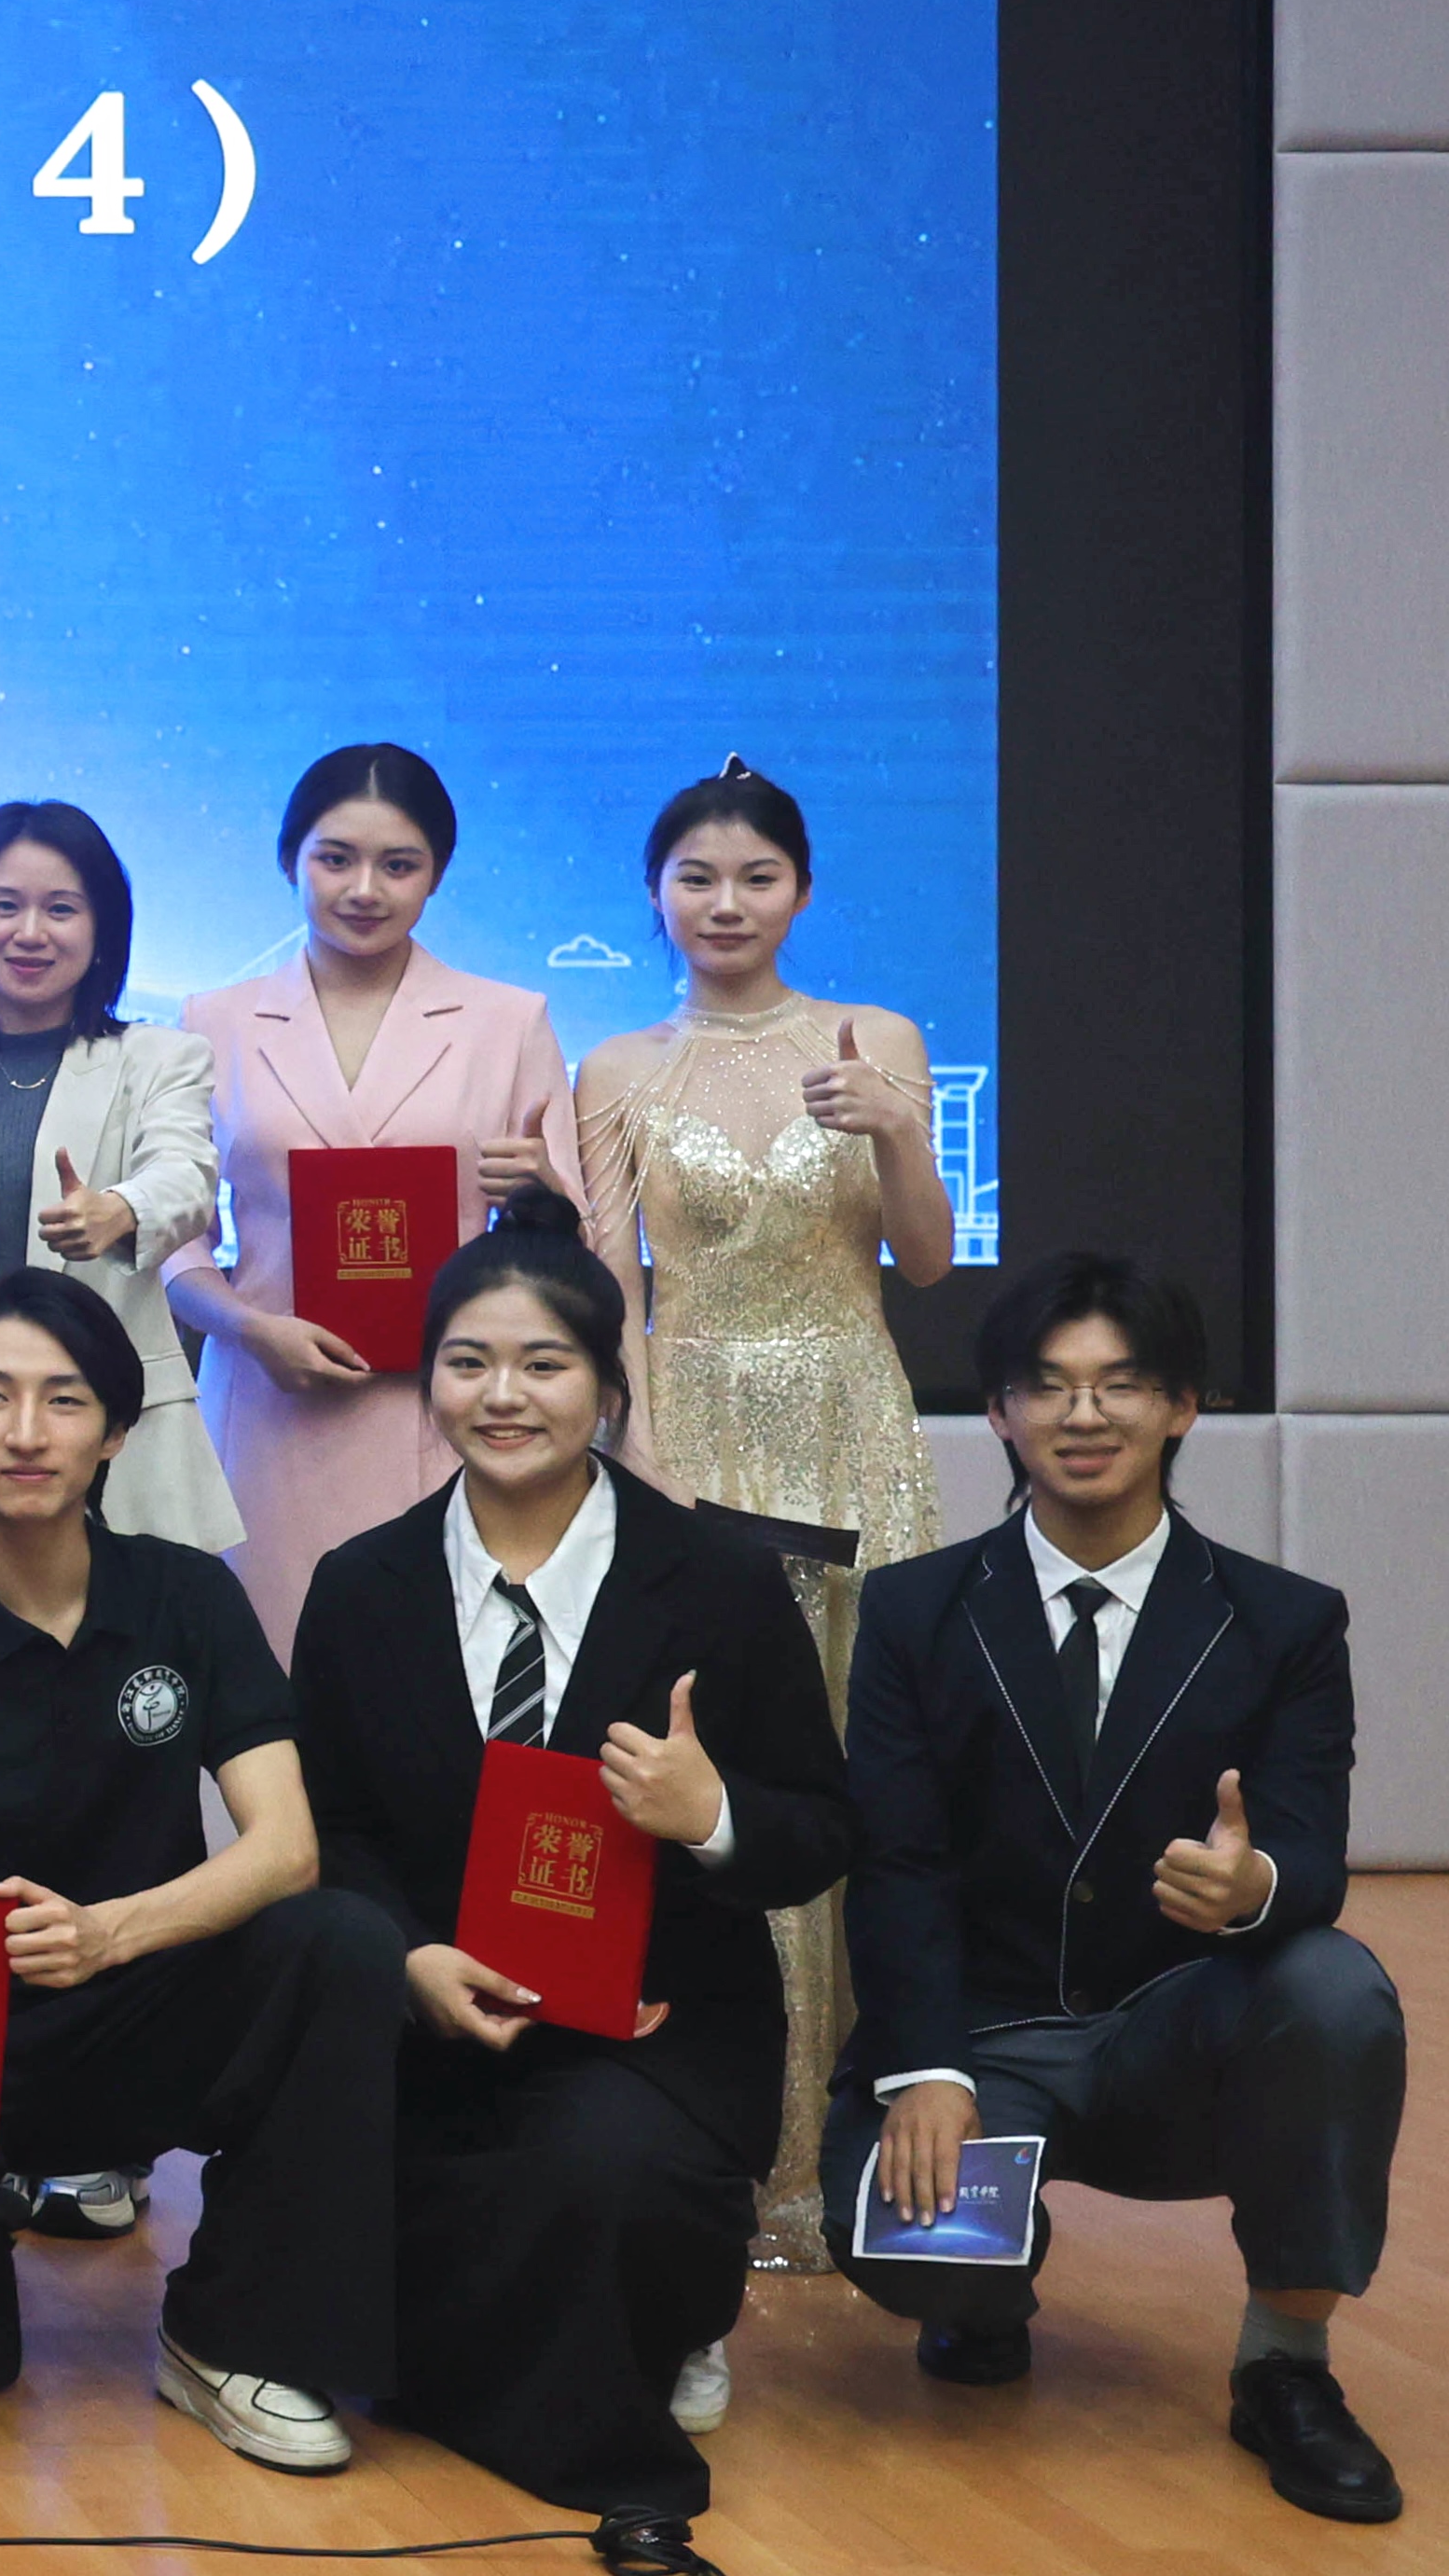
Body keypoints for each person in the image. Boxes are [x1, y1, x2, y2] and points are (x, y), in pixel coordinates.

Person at [291, 1203, 854, 2576]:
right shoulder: (358, 1585)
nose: (503, 1395)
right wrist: (407, 1957)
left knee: (600, 2167)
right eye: (467, 1361)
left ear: (606, 1385)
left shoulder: (720, 1580)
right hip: (429, 2020)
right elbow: (332, 1826)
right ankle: (610, 2342)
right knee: (354, 2217)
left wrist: (708, 1813)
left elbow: (820, 1826)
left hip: (654, 2030)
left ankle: (644, 2347)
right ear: (429, 1381)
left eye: (544, 1362)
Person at [0, 1267, 403, 2473]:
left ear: (114, 1429)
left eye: (63, 1398)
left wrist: (109, 1930)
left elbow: (287, 1846)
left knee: (341, 1941)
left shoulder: (186, 1594)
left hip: (140, 2000)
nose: (25, 1430)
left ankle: (227, 2332)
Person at [820, 1253, 1402, 2526]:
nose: (1082, 1413)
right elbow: (897, 1860)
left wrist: (1252, 1882)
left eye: (1119, 1383)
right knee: (906, 2252)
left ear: (1181, 1405)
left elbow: (1310, 1852)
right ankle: (982, 2298)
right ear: (998, 1411)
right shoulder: (914, 1610)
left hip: (1171, 2039)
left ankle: (1285, 2366)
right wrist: (925, 2066)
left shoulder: (1283, 1619)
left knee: (1334, 1986)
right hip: (982, 2039)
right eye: (1048, 1384)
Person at [570, 756, 953, 2271]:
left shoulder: (877, 1038)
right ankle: (742, 2139)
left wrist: (894, 1129)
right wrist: (643, 1446)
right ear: (653, 894)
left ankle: (864, 2134)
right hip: (694, 1428)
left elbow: (924, 1261)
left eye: (754, 877)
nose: (722, 903)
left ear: (799, 890)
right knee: (718, 1763)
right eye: (694, 878)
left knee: (865, 1757)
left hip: (850, 1422)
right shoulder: (616, 1067)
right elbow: (610, 1288)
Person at [172, 741, 579, 1644]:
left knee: (430, 1674)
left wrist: (542, 1195)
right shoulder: (214, 1020)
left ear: (437, 873)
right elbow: (174, 1239)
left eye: (398, 864)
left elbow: (570, 1247)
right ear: (290, 859)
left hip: (444, 1407)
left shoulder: (507, 1020)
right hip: (267, 1403)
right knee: (265, 1674)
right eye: (335, 858)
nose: (364, 889)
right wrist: (248, 1326)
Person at [0, 799, 242, 1571]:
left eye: (60, 909)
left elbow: (187, 1176)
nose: (29, 932)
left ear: (102, 932)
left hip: (122, 1449)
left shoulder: (160, 1058)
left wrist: (120, 1208)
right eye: (4, 906)